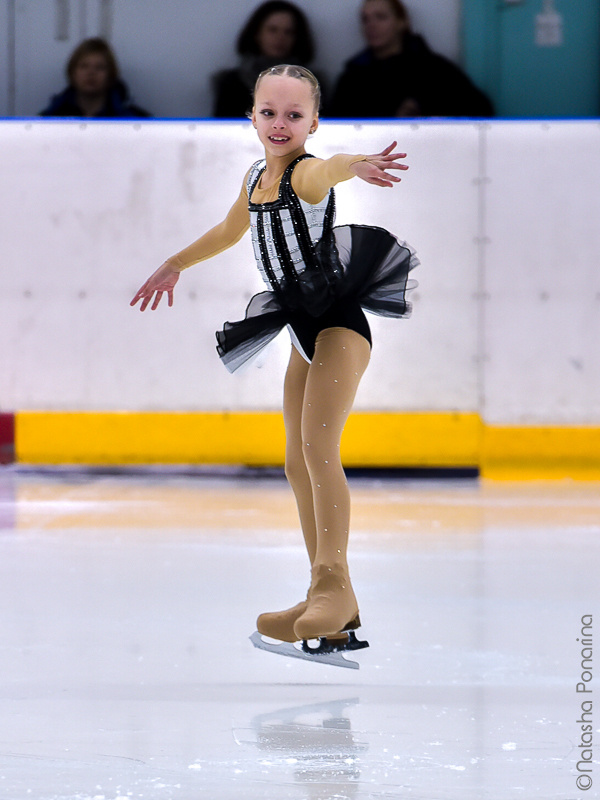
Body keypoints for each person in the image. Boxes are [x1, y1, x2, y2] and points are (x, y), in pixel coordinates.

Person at [131, 64, 418, 656]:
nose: (280, 123)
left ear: (313, 121)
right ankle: (326, 595)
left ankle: (333, 586)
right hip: (297, 331)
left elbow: (330, 168)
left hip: (338, 324)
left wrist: (356, 163)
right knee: (294, 461)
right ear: (252, 117)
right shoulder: (256, 176)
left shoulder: (307, 175)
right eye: (269, 112)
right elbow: (230, 230)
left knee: (318, 449)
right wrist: (175, 263)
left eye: (294, 114)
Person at [327, 0, 493, 118]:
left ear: (402, 22)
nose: (371, 24)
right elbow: (337, 121)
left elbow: (481, 109)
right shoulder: (353, 75)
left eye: (381, 17)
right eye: (365, 19)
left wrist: (422, 109)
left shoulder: (434, 68)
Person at [213, 1, 318, 118]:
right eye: (272, 30)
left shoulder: (312, 85)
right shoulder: (232, 84)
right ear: (257, 34)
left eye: (288, 32)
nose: (280, 38)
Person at [40, 37, 151, 118]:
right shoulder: (51, 119)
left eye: (100, 67)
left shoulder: (136, 122)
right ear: (72, 73)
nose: (91, 72)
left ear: (110, 75)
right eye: (84, 66)